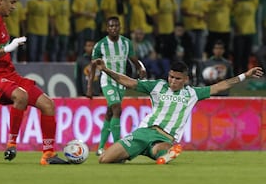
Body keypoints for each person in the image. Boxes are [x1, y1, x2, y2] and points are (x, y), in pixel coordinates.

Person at [94, 60, 263, 164]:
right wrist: (106, 70)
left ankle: (166, 153)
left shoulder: (192, 93)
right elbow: (129, 82)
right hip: (144, 132)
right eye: (171, 77)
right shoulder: (157, 86)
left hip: (165, 137)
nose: (173, 81)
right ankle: (136, 152)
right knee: (104, 159)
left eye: (177, 78)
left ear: (186, 79)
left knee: (162, 150)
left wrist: (244, 76)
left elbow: (221, 86)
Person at [0, 0, 68, 164]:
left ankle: (48, 155)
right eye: (12, 2)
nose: (14, 6)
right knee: (21, 95)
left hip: (9, 75)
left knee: (48, 105)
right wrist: (6, 49)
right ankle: (11, 144)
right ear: (0, 1)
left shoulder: (0, 21)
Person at [87, 16, 147, 156]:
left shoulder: (126, 43)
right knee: (117, 108)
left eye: (116, 26)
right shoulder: (100, 45)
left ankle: (101, 147)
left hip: (121, 81)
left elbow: (132, 58)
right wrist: (89, 86)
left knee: (110, 113)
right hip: (107, 81)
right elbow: (93, 66)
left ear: (120, 27)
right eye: (111, 26)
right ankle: (117, 147)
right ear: (107, 28)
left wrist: (140, 68)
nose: (114, 28)